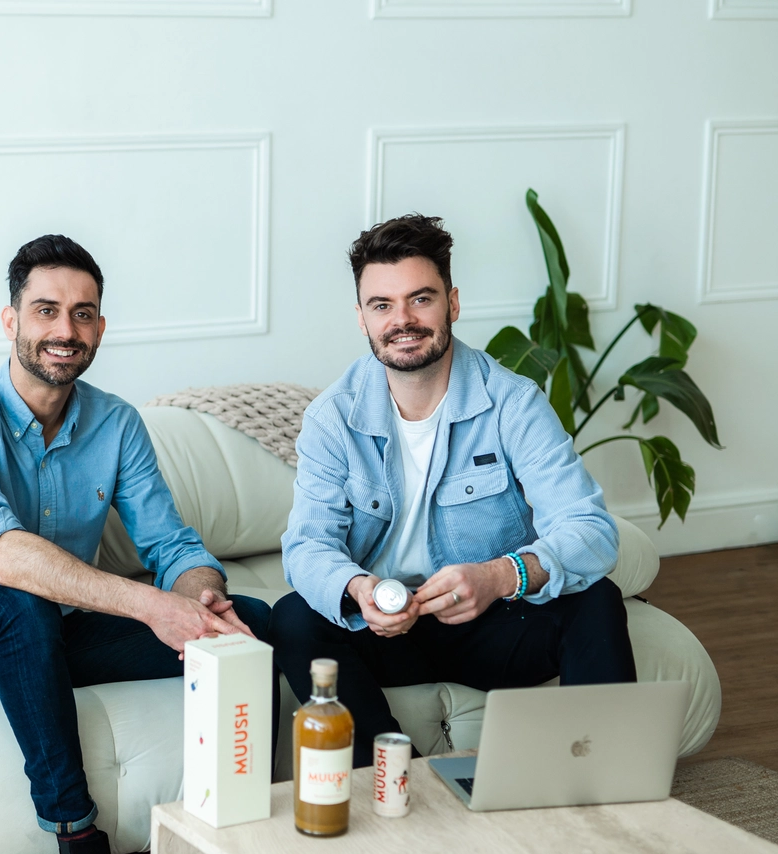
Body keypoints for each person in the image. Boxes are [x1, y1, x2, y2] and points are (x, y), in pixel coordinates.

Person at [0, 234, 270, 854]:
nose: (65, 331)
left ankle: (255, 834)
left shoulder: (117, 423)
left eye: (84, 313)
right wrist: (147, 605)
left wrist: (201, 599)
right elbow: (0, 553)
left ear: (101, 327)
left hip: (59, 639)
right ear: (10, 320)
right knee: (21, 605)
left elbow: (171, 546)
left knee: (252, 619)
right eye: (46, 311)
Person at [272, 214, 635, 769]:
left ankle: (602, 781)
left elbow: (591, 531)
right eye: (382, 305)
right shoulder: (332, 418)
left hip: (488, 622)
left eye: (421, 299)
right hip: (386, 629)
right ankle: (402, 778)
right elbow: (306, 547)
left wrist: (500, 576)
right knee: (294, 617)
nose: (403, 321)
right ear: (362, 318)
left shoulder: (514, 403)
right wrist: (359, 589)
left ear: (453, 303)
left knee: (594, 601)